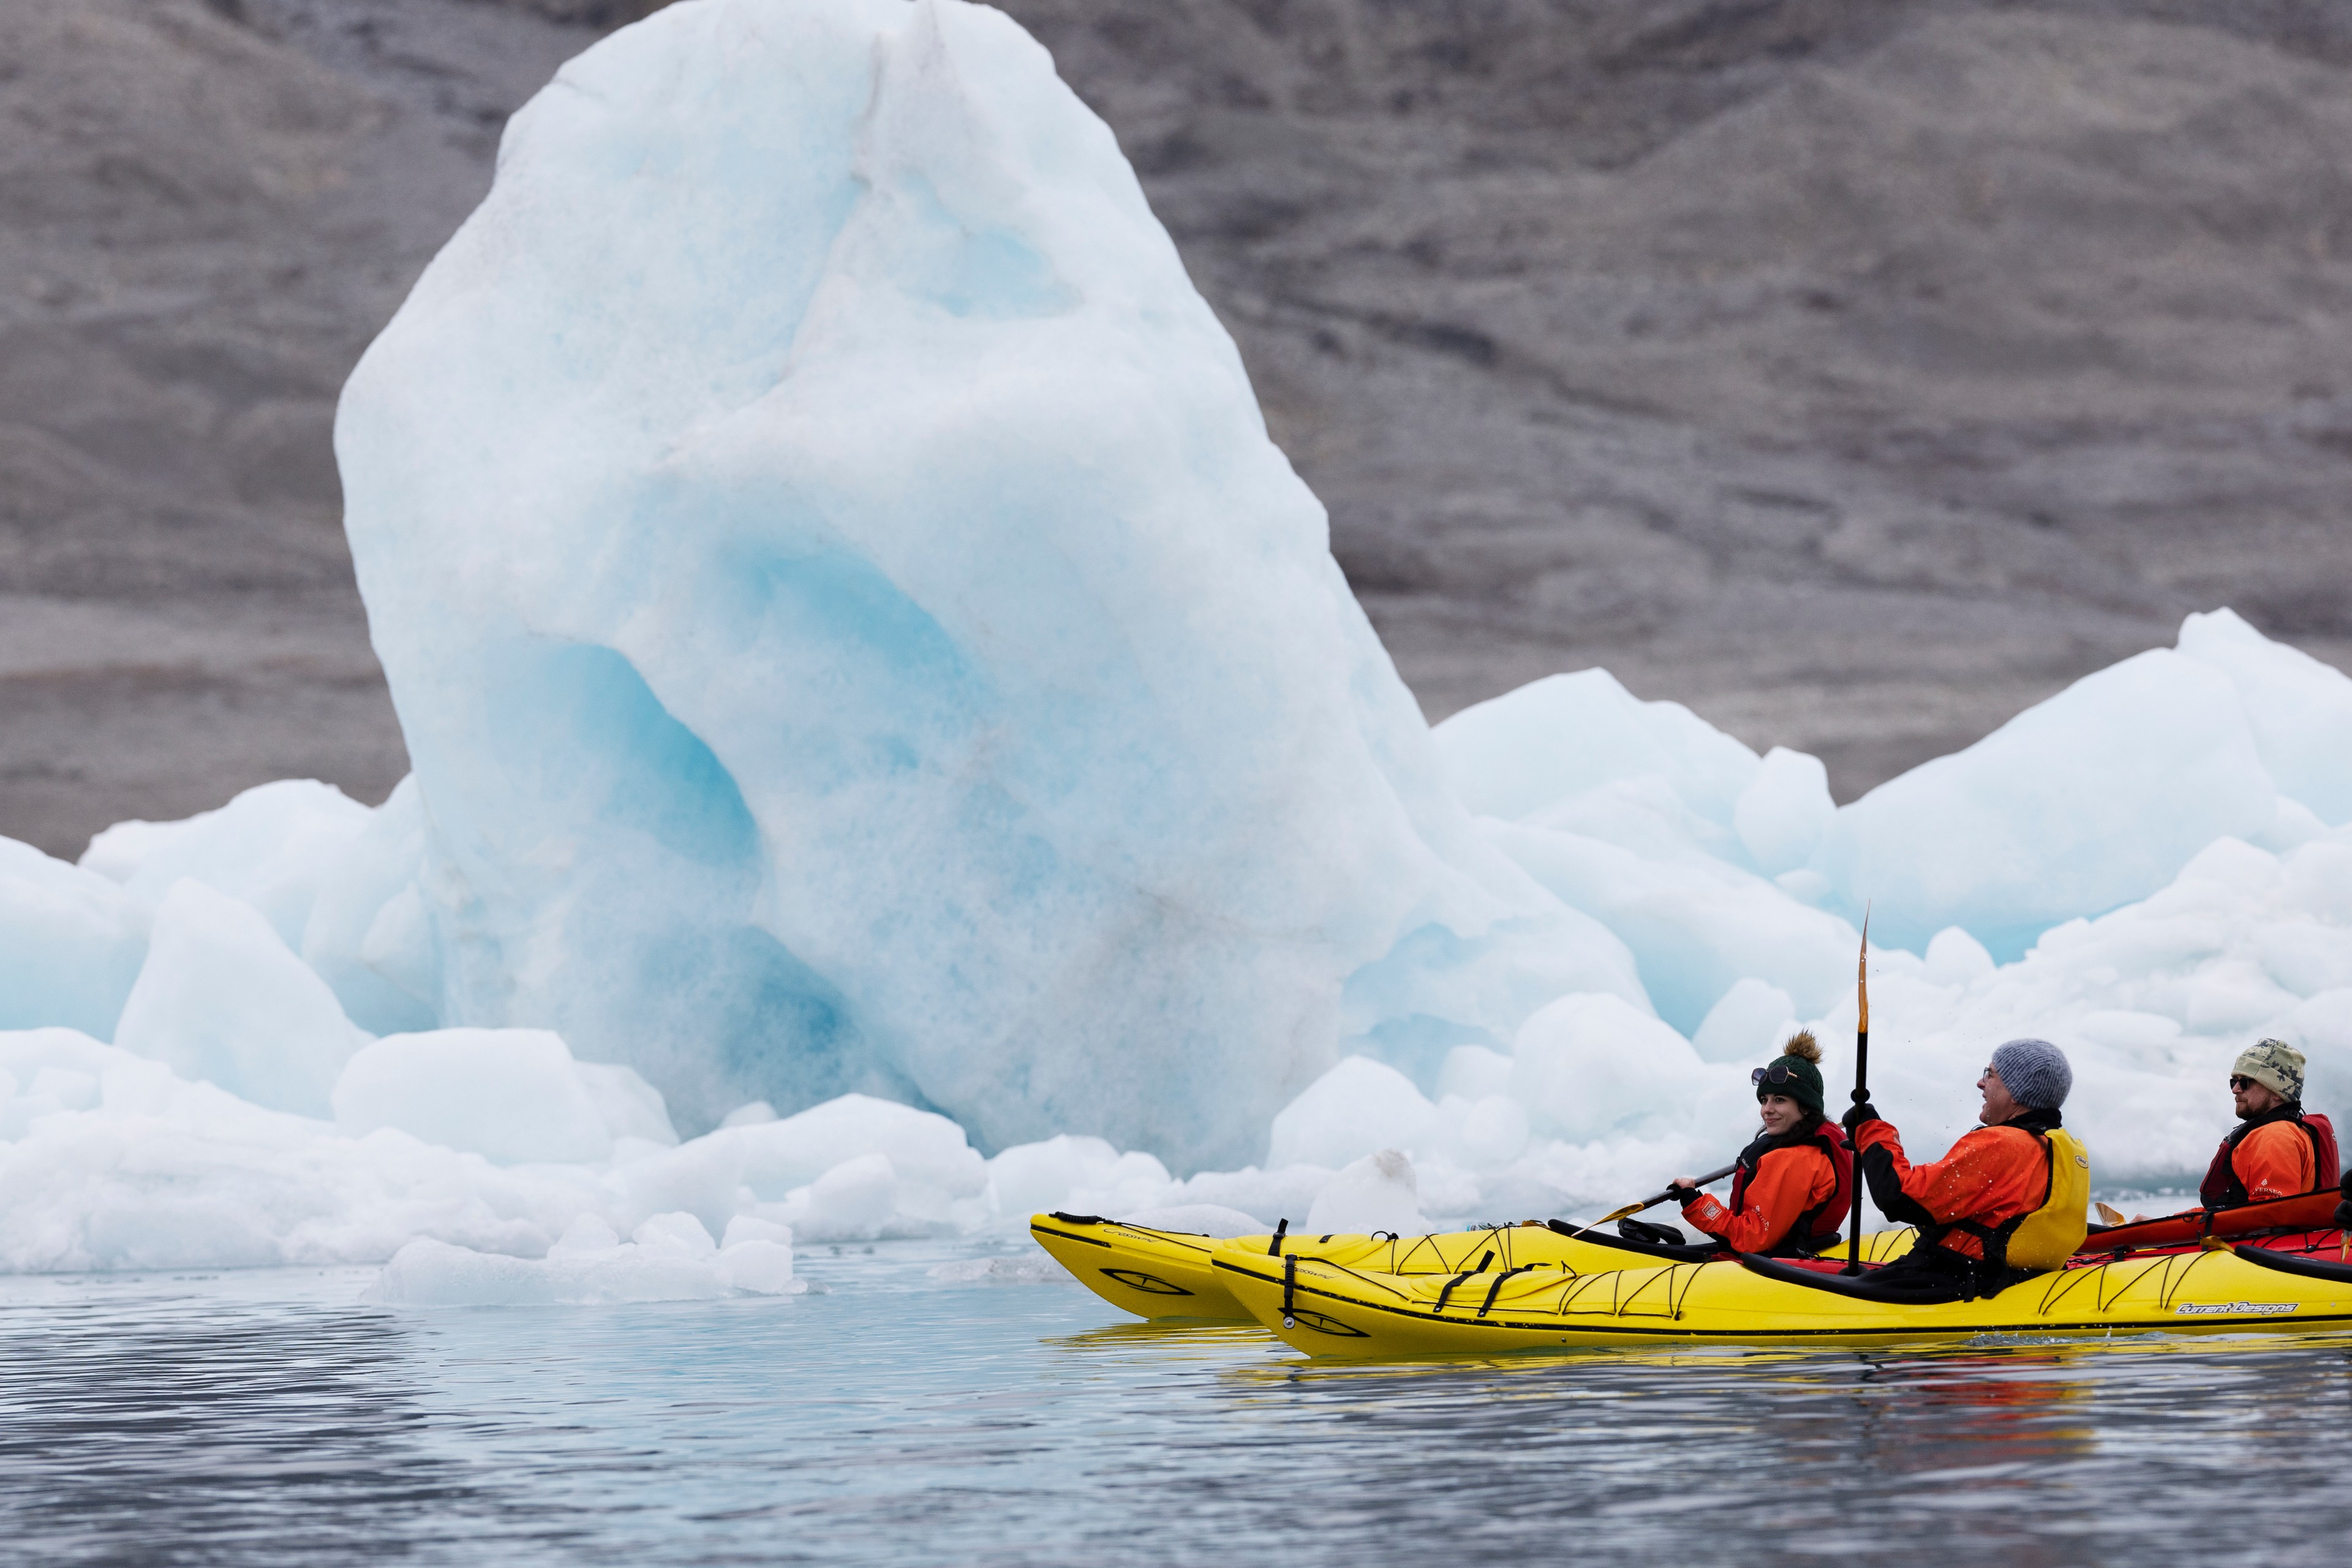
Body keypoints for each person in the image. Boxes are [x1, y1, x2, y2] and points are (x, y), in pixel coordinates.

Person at [1839, 1038, 2090, 1302]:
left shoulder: (2002, 1144)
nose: (1981, 1083)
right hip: (2011, 1280)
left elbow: (1900, 1198)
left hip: (1951, 1281)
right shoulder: (2056, 1147)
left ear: (2016, 1092)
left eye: (1990, 1075)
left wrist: (1871, 1132)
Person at [1663, 1032, 1852, 1256]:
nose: (1766, 1110)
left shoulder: (1792, 1160)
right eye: (1764, 1100)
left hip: (1776, 1266)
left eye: (1779, 1100)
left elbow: (1752, 1240)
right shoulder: (1811, 1149)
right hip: (1789, 1255)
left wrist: (1696, 1204)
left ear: (1806, 1107)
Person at [2198, 1039, 2339, 1208]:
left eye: (2245, 1082)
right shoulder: (2291, 1131)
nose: (2236, 1089)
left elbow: (2271, 1215)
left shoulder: (2276, 1136)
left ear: (2277, 1092)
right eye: (2233, 1081)